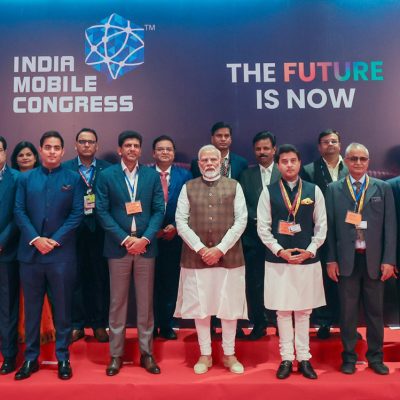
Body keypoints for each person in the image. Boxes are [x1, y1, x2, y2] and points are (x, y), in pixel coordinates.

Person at [14, 131, 84, 381]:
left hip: (61, 255)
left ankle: (63, 357)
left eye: (56, 147)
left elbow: (77, 214)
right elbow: (19, 211)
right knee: (32, 310)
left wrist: (54, 240)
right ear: (40, 151)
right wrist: (36, 239)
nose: (52, 151)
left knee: (63, 309)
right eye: (47, 147)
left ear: (63, 151)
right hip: (31, 255)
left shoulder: (73, 179)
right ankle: (31, 358)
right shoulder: (25, 179)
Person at [96, 131, 164, 376]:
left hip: (145, 247)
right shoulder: (107, 176)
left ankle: (147, 353)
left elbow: (159, 209)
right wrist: (126, 240)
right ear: (119, 149)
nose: (132, 149)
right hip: (118, 247)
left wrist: (144, 239)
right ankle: (116, 355)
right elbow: (101, 212)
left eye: (136, 145)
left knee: (145, 304)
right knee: (117, 303)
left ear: (141, 150)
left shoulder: (150, 176)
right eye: (128, 145)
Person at [175, 144, 248, 374]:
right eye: (204, 160)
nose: (209, 163)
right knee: (201, 308)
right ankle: (205, 354)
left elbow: (241, 221)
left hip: (229, 258)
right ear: (199, 164)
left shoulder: (234, 186)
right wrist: (200, 248)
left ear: (221, 163)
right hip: (196, 259)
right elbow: (180, 222)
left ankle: (229, 354)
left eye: (213, 160)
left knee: (229, 307)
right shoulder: (188, 187)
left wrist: (220, 249)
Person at [325, 142, 396, 375]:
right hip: (347, 261)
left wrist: (389, 260)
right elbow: (331, 228)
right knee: (347, 312)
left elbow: (390, 228)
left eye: (362, 159)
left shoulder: (382, 188)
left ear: (369, 161)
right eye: (353, 159)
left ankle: (376, 357)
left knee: (376, 313)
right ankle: (348, 357)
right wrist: (331, 260)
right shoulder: (334, 189)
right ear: (345, 161)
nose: (357, 163)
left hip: (375, 261)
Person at [257, 144, 327, 380]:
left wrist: (310, 250)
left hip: (306, 260)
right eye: (284, 161)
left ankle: (304, 358)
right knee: (283, 311)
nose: (289, 165)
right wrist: (279, 251)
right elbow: (263, 228)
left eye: (293, 161)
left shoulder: (313, 190)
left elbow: (322, 226)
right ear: (278, 165)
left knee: (304, 311)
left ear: (299, 163)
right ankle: (286, 358)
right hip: (278, 261)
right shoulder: (268, 191)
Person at [63, 128, 111, 343]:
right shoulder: (65, 169)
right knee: (75, 279)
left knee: (100, 279)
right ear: (75, 145)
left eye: (90, 142)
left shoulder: (108, 170)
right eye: (82, 141)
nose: (86, 145)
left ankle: (100, 324)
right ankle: (77, 325)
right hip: (72, 232)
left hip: (101, 231)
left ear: (97, 146)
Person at [301, 129, 348, 338]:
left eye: (334, 141)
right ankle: (323, 322)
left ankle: (346, 320)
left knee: (347, 277)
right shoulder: (309, 170)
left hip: (348, 231)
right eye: (326, 142)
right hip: (319, 231)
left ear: (340, 144)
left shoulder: (351, 167)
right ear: (319, 146)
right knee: (322, 278)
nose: (330, 144)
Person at [11, 141, 56, 346]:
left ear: (36, 156)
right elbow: (16, 212)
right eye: (21, 155)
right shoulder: (11, 179)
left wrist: (40, 239)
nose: (25, 158)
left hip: (44, 243)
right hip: (16, 242)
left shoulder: (44, 177)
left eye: (29, 154)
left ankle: (41, 332)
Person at [239, 131, 280, 340]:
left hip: (281, 239)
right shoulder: (246, 175)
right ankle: (260, 323)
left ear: (274, 149)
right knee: (255, 283)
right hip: (253, 239)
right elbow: (242, 204)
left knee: (281, 281)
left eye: (266, 148)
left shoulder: (285, 171)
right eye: (258, 149)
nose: (262, 152)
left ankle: (282, 322)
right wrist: (260, 221)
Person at [151, 135, 192, 340]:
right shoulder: (144, 173)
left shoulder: (185, 175)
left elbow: (191, 205)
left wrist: (175, 227)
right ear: (153, 153)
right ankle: (150, 325)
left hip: (175, 238)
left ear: (174, 153)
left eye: (168, 149)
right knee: (148, 284)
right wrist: (152, 229)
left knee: (169, 283)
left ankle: (166, 324)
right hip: (148, 238)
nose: (165, 152)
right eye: (160, 149)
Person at [0, 136, 20, 375]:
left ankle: (9, 355)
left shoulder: (17, 179)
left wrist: (2, 240)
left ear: (5, 153)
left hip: (5, 252)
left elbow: (18, 214)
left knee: (6, 307)